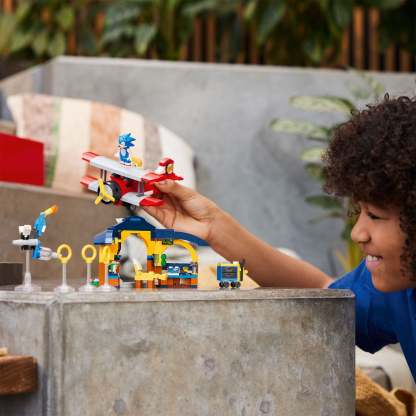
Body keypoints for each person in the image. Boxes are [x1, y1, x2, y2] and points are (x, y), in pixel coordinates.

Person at [143, 94, 416, 381]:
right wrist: (213, 227)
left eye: (375, 216)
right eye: (359, 212)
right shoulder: (399, 290)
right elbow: (327, 294)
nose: (357, 233)